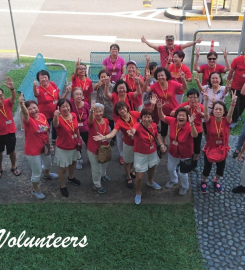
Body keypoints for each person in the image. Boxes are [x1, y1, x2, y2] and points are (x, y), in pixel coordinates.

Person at [93, 101, 141, 188]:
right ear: (117, 112)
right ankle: (128, 176)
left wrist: (153, 105)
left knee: (133, 159)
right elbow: (113, 133)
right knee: (127, 161)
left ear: (126, 107)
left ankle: (131, 171)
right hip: (128, 144)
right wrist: (104, 137)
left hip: (137, 143)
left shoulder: (133, 114)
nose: (122, 110)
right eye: (119, 110)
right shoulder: (119, 122)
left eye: (123, 108)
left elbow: (145, 116)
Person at [19, 94, 58, 199]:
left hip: (44, 147)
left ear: (38, 107)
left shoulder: (42, 116)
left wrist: (49, 144)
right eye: (30, 109)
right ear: (27, 111)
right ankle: (35, 189)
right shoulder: (28, 121)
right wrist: (22, 105)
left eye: (34, 107)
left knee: (48, 163)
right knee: (37, 172)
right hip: (33, 151)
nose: (33, 110)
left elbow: (46, 132)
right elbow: (25, 114)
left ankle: (47, 174)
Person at [127, 108, 166, 205]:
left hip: (152, 152)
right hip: (140, 154)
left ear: (152, 119)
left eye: (149, 117)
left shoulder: (154, 126)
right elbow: (134, 129)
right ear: (141, 118)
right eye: (144, 116)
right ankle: (138, 192)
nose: (147, 119)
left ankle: (150, 181)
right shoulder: (137, 125)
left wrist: (161, 144)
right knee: (139, 176)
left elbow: (156, 135)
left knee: (152, 167)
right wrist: (132, 132)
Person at [200, 90, 237, 194]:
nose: (218, 111)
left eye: (220, 109)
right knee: (207, 169)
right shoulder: (209, 120)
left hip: (222, 150)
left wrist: (233, 103)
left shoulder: (226, 121)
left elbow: (230, 114)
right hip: (210, 149)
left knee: (220, 169)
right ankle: (203, 181)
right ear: (213, 111)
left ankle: (216, 181)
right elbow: (206, 113)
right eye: (216, 109)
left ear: (224, 111)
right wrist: (206, 100)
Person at [157, 102, 197, 195]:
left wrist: (192, 124)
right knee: (170, 168)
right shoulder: (173, 121)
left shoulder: (189, 126)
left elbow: (194, 135)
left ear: (187, 118)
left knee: (182, 173)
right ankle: (174, 180)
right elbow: (162, 117)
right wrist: (159, 108)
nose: (181, 117)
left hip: (185, 155)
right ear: (176, 116)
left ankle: (185, 186)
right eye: (179, 115)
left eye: (183, 115)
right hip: (173, 152)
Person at [143, 67, 187, 145]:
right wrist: (147, 79)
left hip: (174, 110)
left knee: (177, 125)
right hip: (162, 111)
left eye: (162, 75)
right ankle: (164, 140)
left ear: (166, 76)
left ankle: (178, 140)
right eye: (158, 76)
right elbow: (146, 89)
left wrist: (183, 79)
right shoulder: (155, 85)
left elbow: (184, 87)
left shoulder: (172, 83)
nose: (160, 77)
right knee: (164, 127)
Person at [105, 77, 141, 165]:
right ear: (116, 89)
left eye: (123, 87)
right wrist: (106, 84)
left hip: (130, 120)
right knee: (119, 138)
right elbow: (107, 94)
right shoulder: (114, 95)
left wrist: (137, 83)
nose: (121, 89)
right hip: (118, 121)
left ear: (126, 88)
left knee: (133, 136)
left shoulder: (129, 95)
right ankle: (122, 155)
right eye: (119, 88)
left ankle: (134, 151)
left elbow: (138, 92)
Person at [53, 99, 81, 198]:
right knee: (63, 168)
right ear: (59, 109)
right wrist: (55, 115)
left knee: (73, 163)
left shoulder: (73, 115)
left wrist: (79, 139)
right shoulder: (58, 118)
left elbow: (76, 129)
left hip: (74, 145)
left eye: (67, 106)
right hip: (63, 148)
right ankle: (62, 185)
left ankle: (71, 177)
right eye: (63, 107)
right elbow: (55, 124)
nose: (66, 108)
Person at [171, 89, 204, 171]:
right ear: (187, 98)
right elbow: (172, 113)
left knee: (196, 148)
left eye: (195, 97)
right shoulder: (184, 105)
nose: (193, 99)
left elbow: (207, 118)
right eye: (190, 97)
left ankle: (195, 162)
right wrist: (183, 109)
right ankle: (182, 160)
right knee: (184, 145)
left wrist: (200, 113)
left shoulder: (200, 106)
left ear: (198, 98)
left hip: (197, 129)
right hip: (185, 130)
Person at [195, 72, 230, 136]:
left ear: (220, 79)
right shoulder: (207, 87)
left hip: (218, 112)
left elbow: (225, 92)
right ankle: (208, 143)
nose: (215, 80)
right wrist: (197, 82)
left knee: (217, 129)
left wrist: (227, 87)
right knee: (207, 129)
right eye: (213, 78)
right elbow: (201, 89)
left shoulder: (222, 88)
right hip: (207, 112)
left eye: (216, 78)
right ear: (210, 80)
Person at [87, 103, 111, 194]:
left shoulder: (106, 120)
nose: (98, 113)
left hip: (104, 148)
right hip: (93, 149)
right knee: (96, 168)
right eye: (96, 112)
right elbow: (89, 121)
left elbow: (107, 132)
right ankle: (97, 184)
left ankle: (103, 175)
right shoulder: (92, 122)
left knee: (105, 163)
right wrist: (91, 111)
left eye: (100, 111)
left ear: (103, 112)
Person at [33, 70, 62, 144]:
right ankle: (46, 142)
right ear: (39, 80)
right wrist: (34, 86)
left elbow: (58, 94)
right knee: (45, 128)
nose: (44, 79)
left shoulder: (52, 84)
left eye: (45, 77)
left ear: (48, 77)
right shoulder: (39, 89)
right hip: (45, 114)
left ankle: (54, 139)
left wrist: (61, 103)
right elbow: (36, 93)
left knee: (56, 126)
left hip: (55, 111)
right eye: (41, 78)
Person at [0, 77, 21, 178]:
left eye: (0, 96)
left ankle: (13, 166)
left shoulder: (7, 103)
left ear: (3, 96)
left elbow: (13, 98)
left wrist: (12, 89)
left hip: (10, 132)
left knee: (12, 150)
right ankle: (0, 168)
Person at [70, 87, 90, 170]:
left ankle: (90, 157)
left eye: (80, 94)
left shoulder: (86, 104)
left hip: (85, 128)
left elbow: (89, 116)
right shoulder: (70, 104)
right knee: (77, 144)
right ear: (73, 96)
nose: (79, 96)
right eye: (77, 94)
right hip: (74, 129)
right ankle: (79, 159)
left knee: (88, 143)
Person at [93, 70, 115, 146]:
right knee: (101, 123)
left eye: (105, 76)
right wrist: (98, 84)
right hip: (100, 109)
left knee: (111, 123)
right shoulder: (99, 85)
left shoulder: (112, 86)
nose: (103, 78)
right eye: (101, 77)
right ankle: (101, 136)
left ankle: (113, 138)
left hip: (110, 108)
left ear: (109, 77)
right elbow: (94, 89)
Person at [227, 54, 245, 128]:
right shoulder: (237, 60)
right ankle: (234, 120)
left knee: (243, 103)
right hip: (235, 86)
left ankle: (238, 116)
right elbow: (231, 71)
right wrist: (228, 82)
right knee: (235, 103)